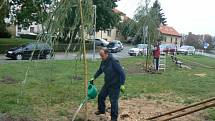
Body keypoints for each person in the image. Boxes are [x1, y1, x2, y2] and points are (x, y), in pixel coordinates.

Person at [90, 48, 126, 121]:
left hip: (115, 85)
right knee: (101, 96)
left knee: (113, 101)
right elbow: (100, 70)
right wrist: (93, 77)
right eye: (100, 56)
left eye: (102, 55)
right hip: (107, 83)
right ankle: (101, 110)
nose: (101, 57)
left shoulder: (114, 61)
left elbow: (122, 73)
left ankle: (114, 118)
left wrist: (122, 84)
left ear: (107, 54)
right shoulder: (103, 61)